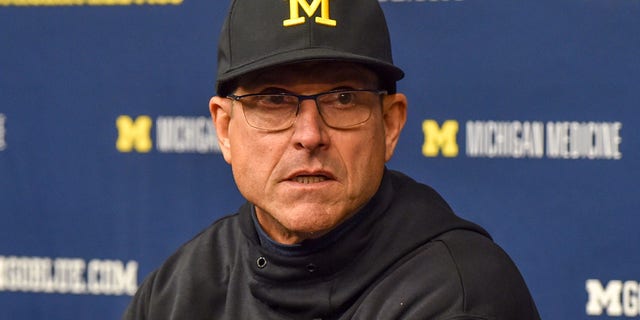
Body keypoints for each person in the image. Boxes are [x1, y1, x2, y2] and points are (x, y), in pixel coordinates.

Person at [123, 0, 541, 319]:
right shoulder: (178, 290)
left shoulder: (458, 295)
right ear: (225, 128)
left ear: (390, 125)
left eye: (343, 98)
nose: (309, 135)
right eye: (273, 99)